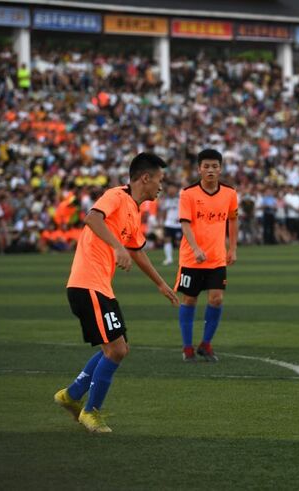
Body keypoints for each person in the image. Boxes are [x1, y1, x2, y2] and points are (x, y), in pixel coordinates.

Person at [54, 152, 179, 433]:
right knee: (117, 349)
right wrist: (117, 247)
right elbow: (92, 218)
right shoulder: (117, 195)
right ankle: (90, 412)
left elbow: (137, 251)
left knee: (115, 347)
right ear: (145, 178)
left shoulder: (135, 212)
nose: (161, 186)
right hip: (87, 284)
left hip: (99, 287)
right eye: (159, 179)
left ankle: (71, 395)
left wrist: (160, 283)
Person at [176, 149, 239, 362]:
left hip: (217, 257)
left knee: (217, 298)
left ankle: (206, 344)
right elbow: (185, 224)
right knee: (190, 299)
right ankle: (187, 348)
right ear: (199, 169)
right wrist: (195, 248)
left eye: (214, 166)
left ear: (220, 168)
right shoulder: (188, 193)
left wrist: (232, 248)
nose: (210, 170)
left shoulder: (230, 193)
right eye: (206, 166)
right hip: (191, 257)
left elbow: (233, 220)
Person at [159, 184, 181, 265]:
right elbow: (163, 212)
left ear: (176, 189)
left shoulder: (181, 198)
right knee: (167, 240)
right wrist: (162, 222)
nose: (171, 190)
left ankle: (183, 259)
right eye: (169, 189)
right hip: (168, 224)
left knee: (180, 243)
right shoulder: (165, 200)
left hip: (179, 225)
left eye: (173, 189)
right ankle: (169, 259)